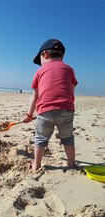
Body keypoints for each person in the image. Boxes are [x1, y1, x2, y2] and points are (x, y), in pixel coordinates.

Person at [23, 39, 78, 171]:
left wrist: (29, 115)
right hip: (66, 110)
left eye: (40, 58)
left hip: (45, 112)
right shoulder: (69, 69)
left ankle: (36, 165)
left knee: (40, 139)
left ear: (45, 55)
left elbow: (34, 96)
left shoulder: (40, 71)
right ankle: (71, 164)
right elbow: (71, 91)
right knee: (68, 138)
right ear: (62, 56)